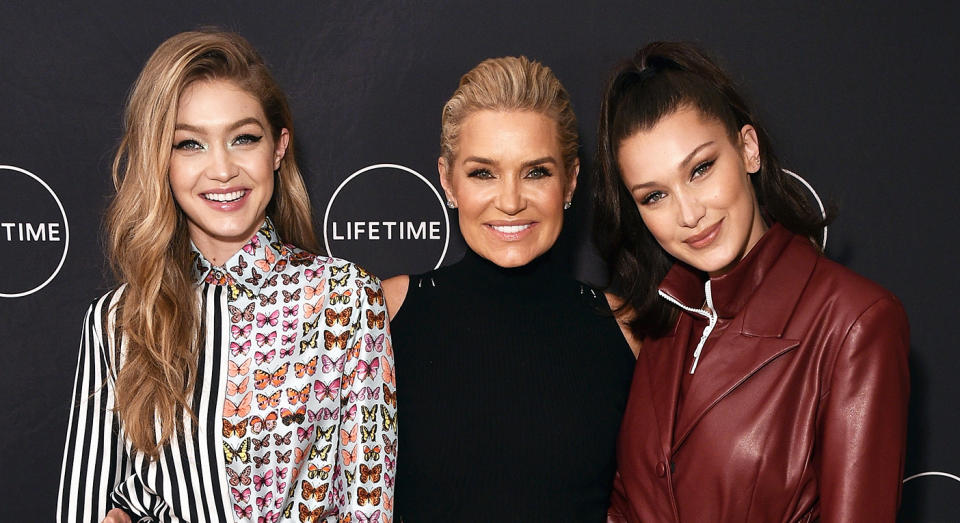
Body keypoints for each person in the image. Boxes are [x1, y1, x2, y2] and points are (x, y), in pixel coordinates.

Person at [58, 30, 395, 523]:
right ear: (161, 162)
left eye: (244, 138)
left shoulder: (343, 297)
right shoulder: (118, 321)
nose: (221, 169)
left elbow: (368, 505)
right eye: (190, 144)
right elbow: (86, 507)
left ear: (278, 148)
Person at [594, 41, 910, 522]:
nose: (689, 213)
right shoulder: (666, 323)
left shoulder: (854, 323)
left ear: (748, 149)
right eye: (655, 195)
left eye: (701, 169)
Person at [380, 56, 637, 522]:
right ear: (447, 180)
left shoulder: (627, 329)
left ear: (571, 181)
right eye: (484, 172)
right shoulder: (385, 312)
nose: (511, 201)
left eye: (536, 171)